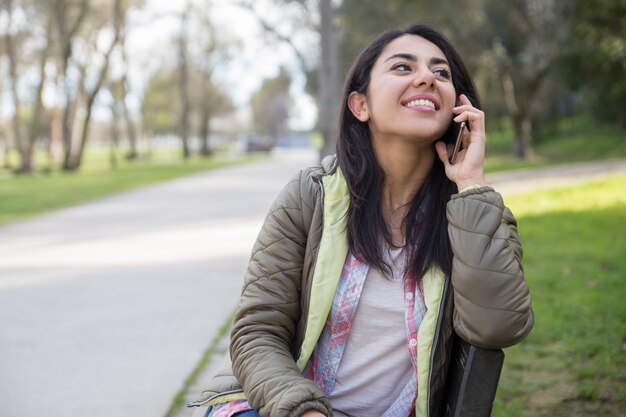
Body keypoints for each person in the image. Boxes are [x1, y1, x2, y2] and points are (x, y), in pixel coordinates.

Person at [189, 23, 534, 417]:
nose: (426, 77)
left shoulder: (476, 212)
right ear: (360, 105)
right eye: (403, 67)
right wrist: (305, 411)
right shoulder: (311, 197)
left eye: (441, 73)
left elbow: (498, 327)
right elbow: (256, 332)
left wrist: (470, 183)